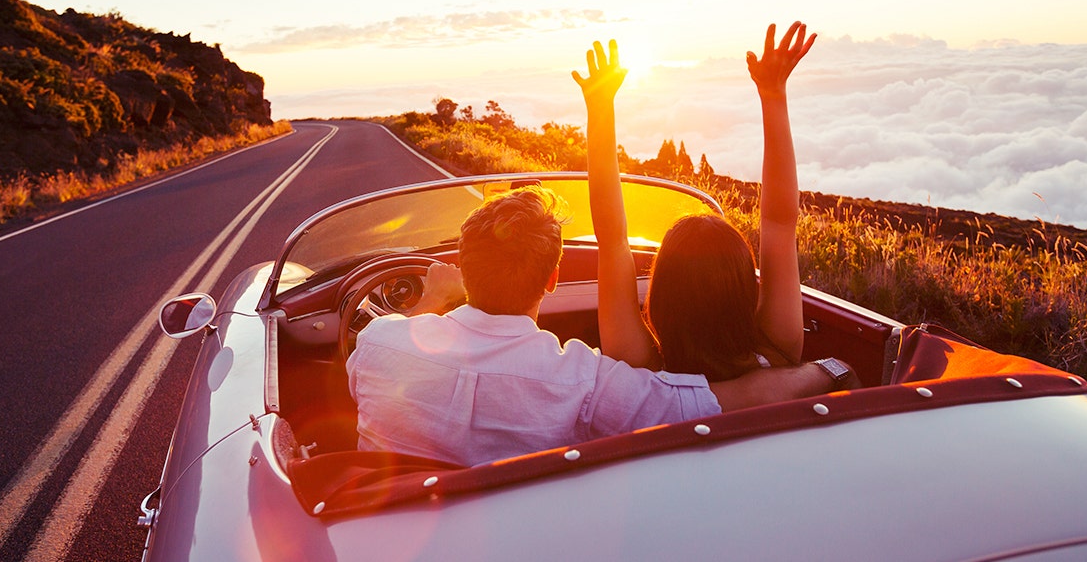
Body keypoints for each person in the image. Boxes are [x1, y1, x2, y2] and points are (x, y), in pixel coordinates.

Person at [347, 184, 850, 468]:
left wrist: (433, 299)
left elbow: (401, 340)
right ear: (553, 279)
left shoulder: (374, 345)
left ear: (462, 266)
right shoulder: (582, 381)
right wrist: (825, 368)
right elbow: (718, 402)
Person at [572, 22, 851, 392]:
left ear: (660, 299)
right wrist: (773, 93)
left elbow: (611, 240)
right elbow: (779, 224)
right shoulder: (779, 349)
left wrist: (600, 107)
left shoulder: (643, 371)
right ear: (745, 293)